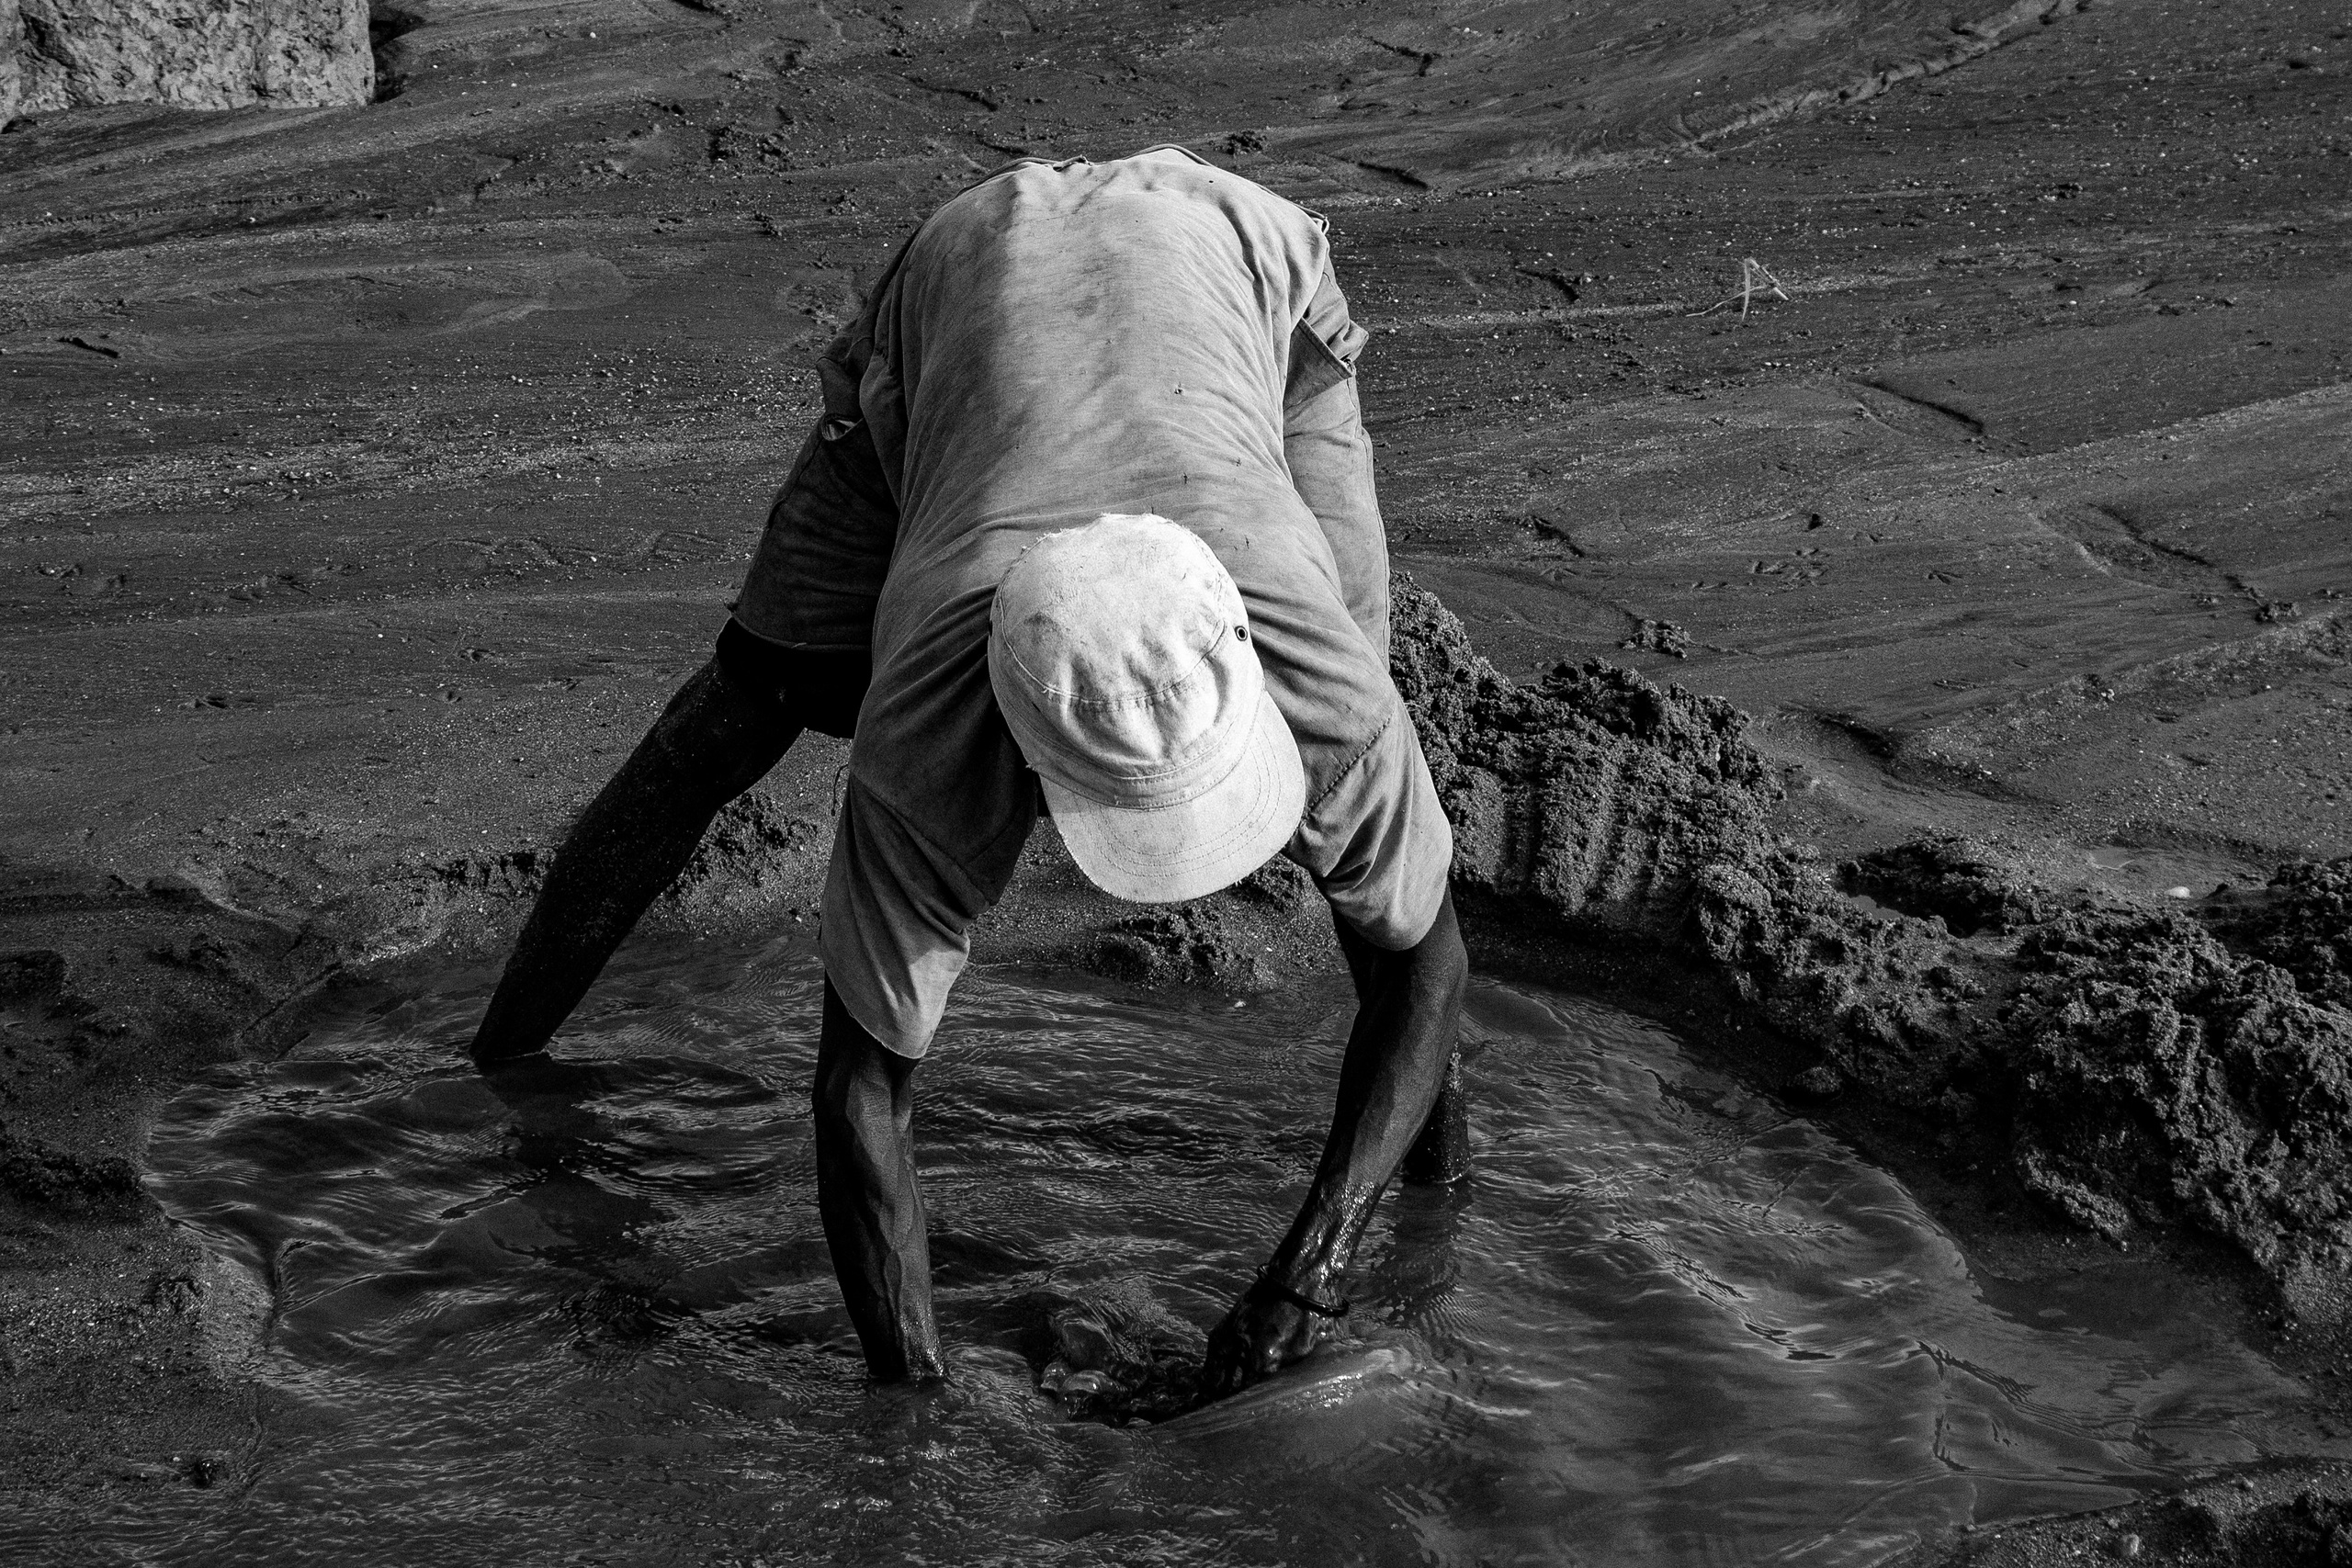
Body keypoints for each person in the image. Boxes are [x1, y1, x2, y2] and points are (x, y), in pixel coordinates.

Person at [468, 145, 1469, 1399]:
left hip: (1233, 257)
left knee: (1392, 894)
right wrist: (915, 1409)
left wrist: (1307, 1276)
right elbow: (859, 1088)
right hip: (972, 273)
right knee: (744, 706)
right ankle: (498, 1064)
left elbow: (1431, 962)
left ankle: (1431, 1212)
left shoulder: (1322, 675)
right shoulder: (925, 734)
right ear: (1016, 741)